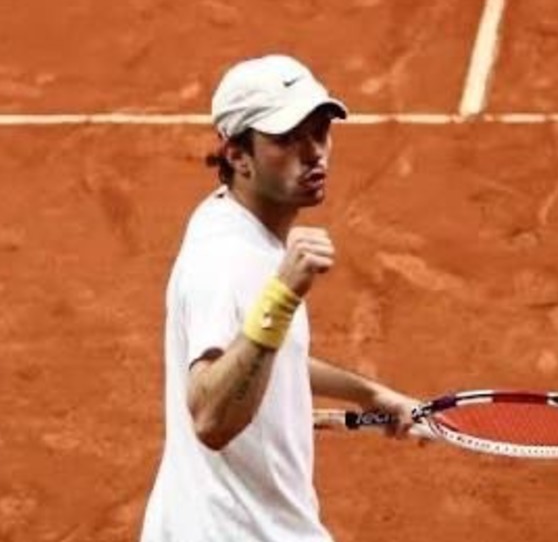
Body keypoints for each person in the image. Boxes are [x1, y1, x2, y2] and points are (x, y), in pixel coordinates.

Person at [140, 54, 421, 541]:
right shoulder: (230, 263)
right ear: (237, 156)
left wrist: (370, 395)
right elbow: (210, 417)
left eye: (319, 131)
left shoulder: (225, 216)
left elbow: (268, 355)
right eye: (287, 139)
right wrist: (282, 296)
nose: (313, 153)